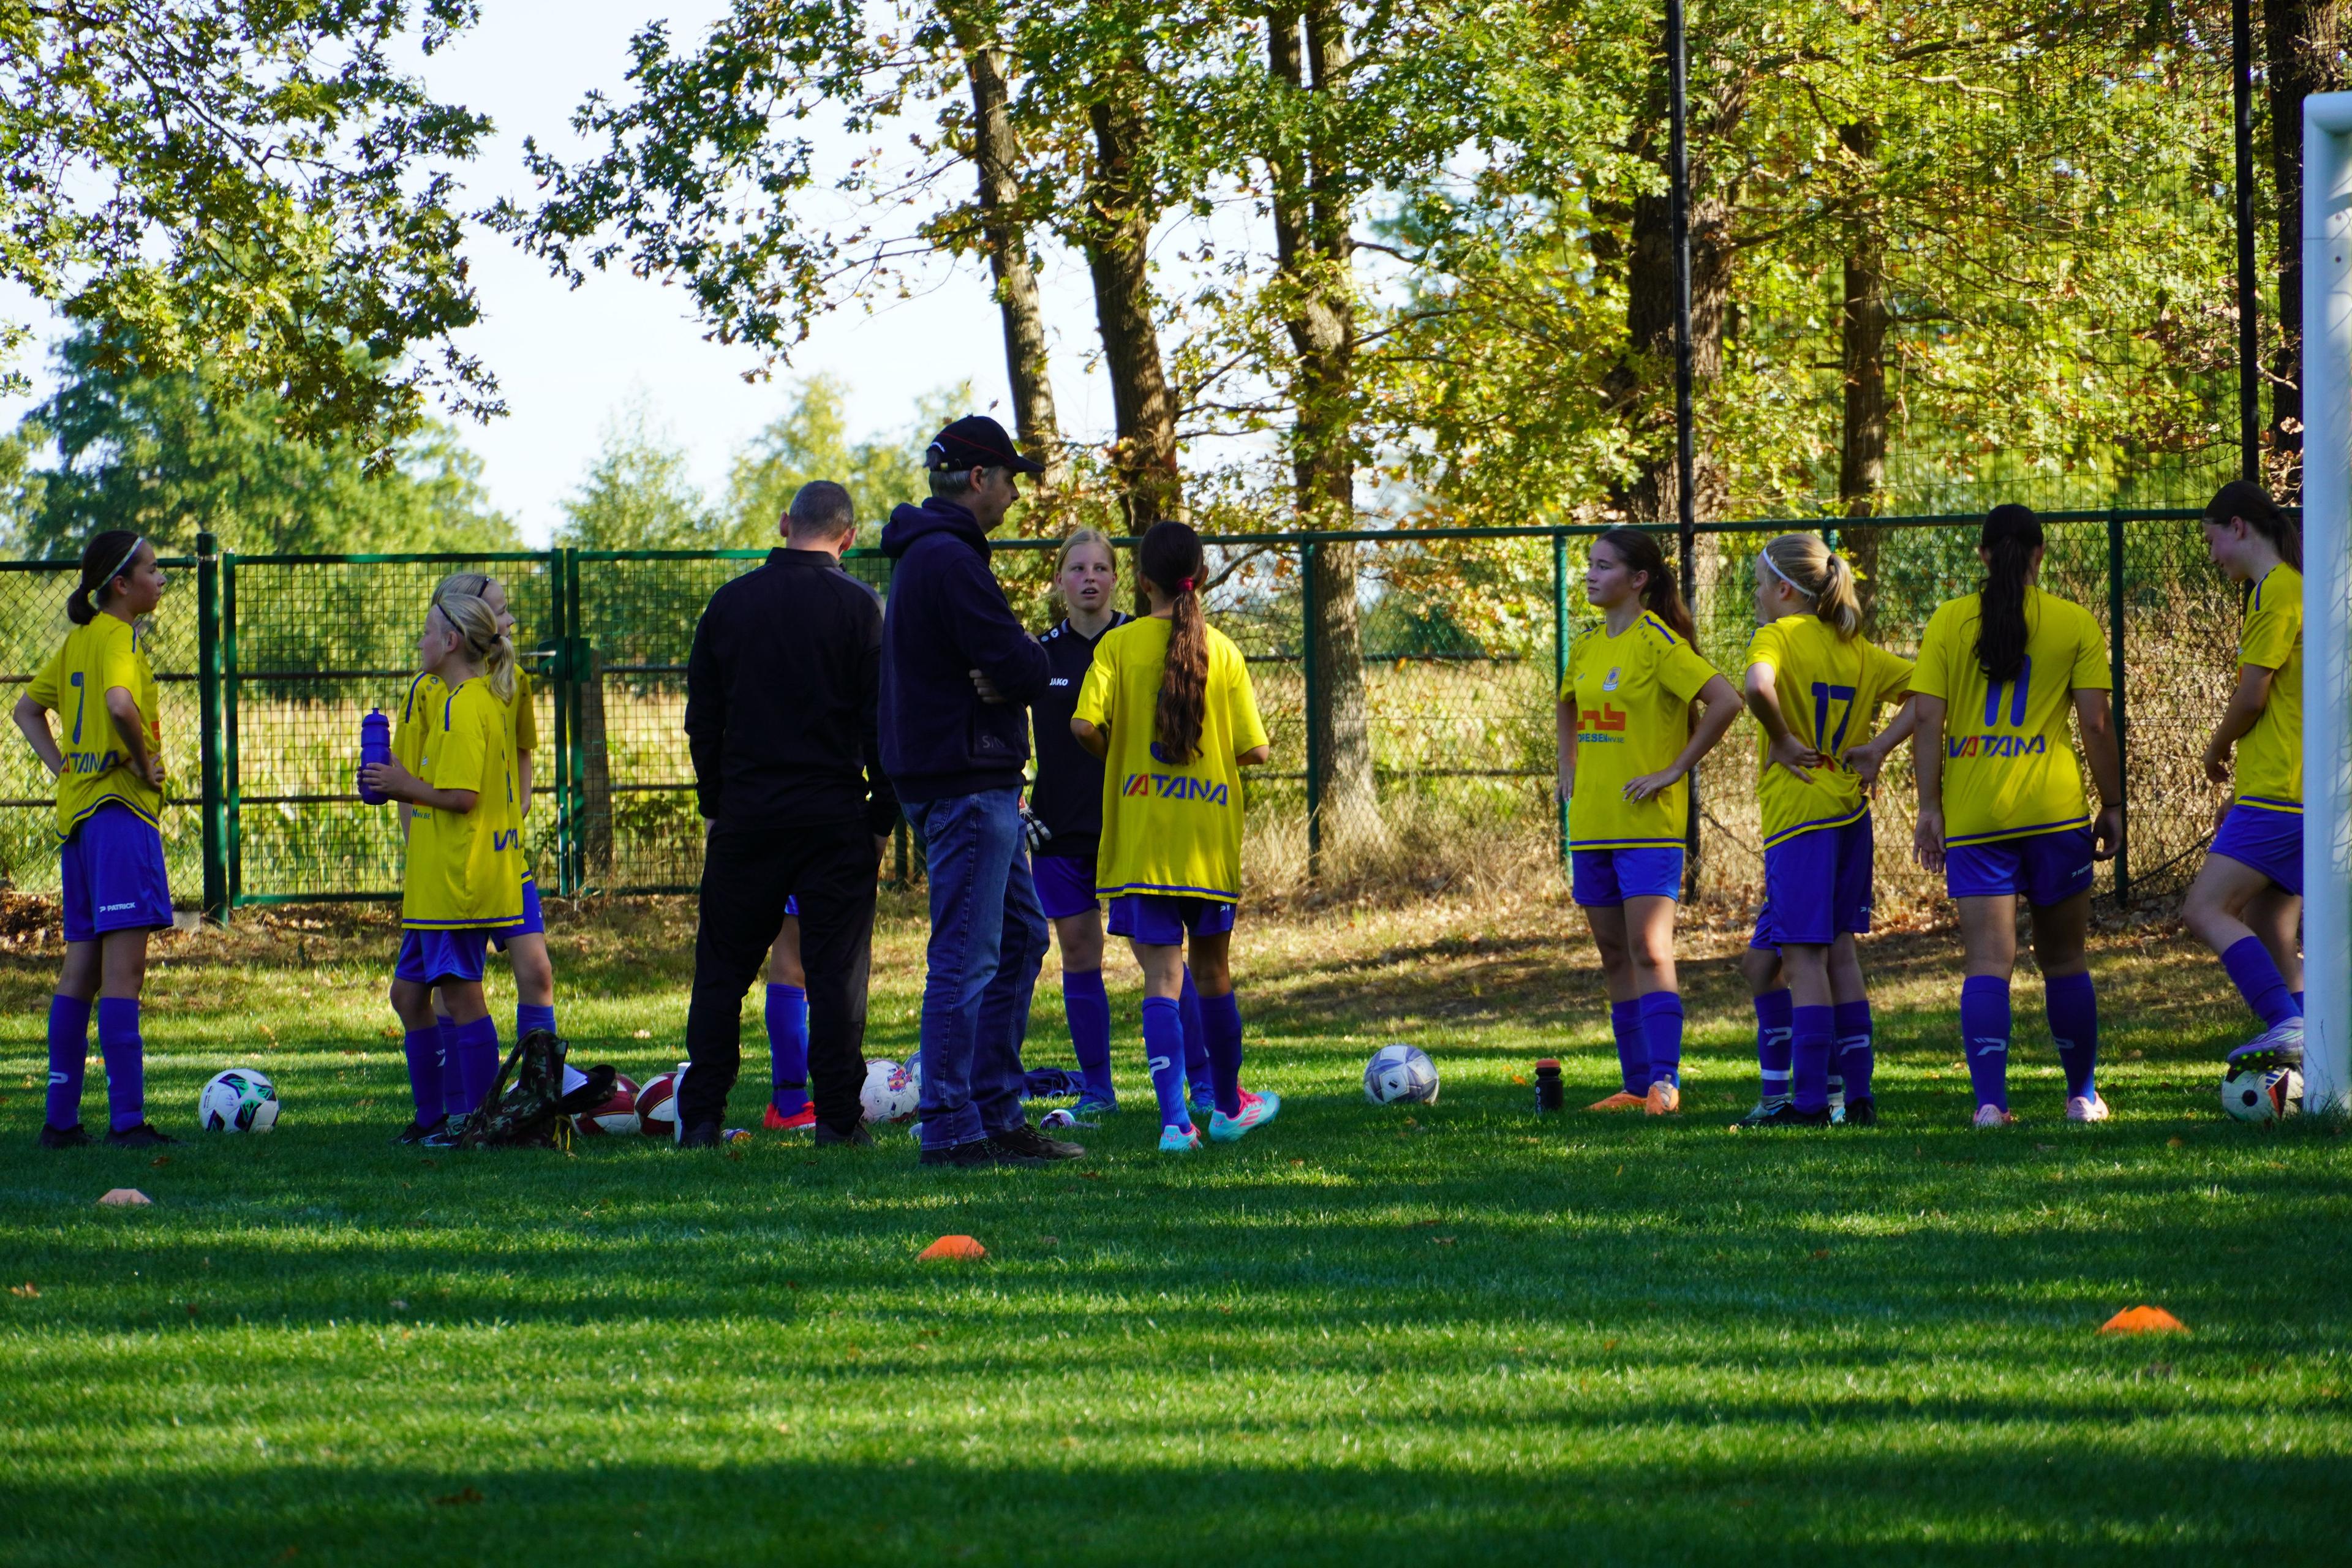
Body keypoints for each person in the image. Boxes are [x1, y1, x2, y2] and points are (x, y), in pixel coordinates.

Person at [880, 416, 1084, 1168]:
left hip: (967, 777)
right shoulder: (951, 560)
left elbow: (1010, 667)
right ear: (977, 479)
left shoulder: (930, 556)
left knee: (1022, 936)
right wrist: (1021, 659)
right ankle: (949, 1124)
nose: (1014, 495)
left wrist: (1011, 664)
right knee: (965, 956)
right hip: (965, 783)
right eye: (1009, 479)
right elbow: (1027, 669)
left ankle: (996, 1111)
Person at [678, 480, 899, 1149]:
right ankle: (837, 1118)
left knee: (722, 972)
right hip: (834, 816)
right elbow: (884, 727)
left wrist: (715, 805)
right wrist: (881, 819)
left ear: (784, 523)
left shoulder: (729, 603)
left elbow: (703, 720)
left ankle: (702, 1114)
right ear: (848, 536)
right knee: (836, 976)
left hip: (748, 814)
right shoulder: (862, 608)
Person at [1910, 503, 2124, 1126]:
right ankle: (2082, 1097)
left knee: (1987, 964)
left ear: (1983, 555)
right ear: (2040, 554)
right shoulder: (2073, 621)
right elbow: (2096, 723)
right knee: (2065, 960)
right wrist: (2113, 803)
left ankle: (1990, 1105)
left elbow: (1927, 720)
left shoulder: (1949, 621)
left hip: (1976, 818)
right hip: (2054, 815)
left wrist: (1929, 806)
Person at [1072, 520, 1278, 1152]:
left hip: (1143, 841)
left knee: (1162, 977)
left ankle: (1174, 1123)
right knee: (1213, 973)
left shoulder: (1118, 646)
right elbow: (1257, 750)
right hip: (1206, 841)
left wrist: (1120, 757)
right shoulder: (1225, 651)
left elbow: (1083, 726)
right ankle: (1229, 1105)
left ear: (1142, 582)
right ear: (1203, 577)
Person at [1555, 527, 1744, 1115]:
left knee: (1649, 949)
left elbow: (1727, 701)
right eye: (1589, 564)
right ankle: (1636, 1086)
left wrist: (1675, 769)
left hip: (1647, 825)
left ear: (1638, 580)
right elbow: (1567, 702)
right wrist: (1567, 764)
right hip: (1592, 823)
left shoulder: (1659, 642)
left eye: (1603, 566)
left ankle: (1665, 1082)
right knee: (1615, 953)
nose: (1590, 575)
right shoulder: (1587, 645)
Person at [1733, 533, 1917, 1129]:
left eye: (1760, 585)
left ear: (1785, 590)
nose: (1756, 597)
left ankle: (1810, 1104)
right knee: (1830, 954)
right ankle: (1856, 1098)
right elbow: (1931, 692)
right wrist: (1880, 747)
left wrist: (1784, 740)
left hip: (1800, 816)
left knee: (1803, 959)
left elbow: (1757, 687)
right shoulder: (1857, 650)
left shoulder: (1778, 636)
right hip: (1849, 814)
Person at [1027, 529, 1212, 1120]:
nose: (1089, 578)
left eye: (1100, 568)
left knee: (1162, 960)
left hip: (1131, 828)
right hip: (1058, 830)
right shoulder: (1037, 655)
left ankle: (1203, 1083)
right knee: (1079, 953)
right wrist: (1016, 802)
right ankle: (1098, 1091)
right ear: (1059, 580)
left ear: (1120, 578)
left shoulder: (1142, 641)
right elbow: (1001, 731)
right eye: (1077, 568)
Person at [15, 531, 178, 1148]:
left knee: (78, 970)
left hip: (79, 823)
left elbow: (26, 710)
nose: (161, 579)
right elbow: (119, 705)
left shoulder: (76, 641)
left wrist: (63, 768)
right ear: (122, 584)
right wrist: (140, 761)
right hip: (119, 815)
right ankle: (128, 1122)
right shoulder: (116, 636)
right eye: (153, 570)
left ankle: (60, 1122)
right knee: (123, 974)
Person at [362, 591, 526, 1143]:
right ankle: (432, 1117)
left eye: (427, 633)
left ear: (451, 642)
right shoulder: (455, 700)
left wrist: (402, 786)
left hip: (458, 883)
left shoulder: (466, 705)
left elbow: (461, 797)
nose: (420, 642)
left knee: (461, 997)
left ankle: (478, 1120)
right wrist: (395, 774)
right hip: (432, 887)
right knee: (408, 997)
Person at [2180, 480, 2306, 1068]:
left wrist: (2216, 748)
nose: (2212, 557)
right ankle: (2312, 1039)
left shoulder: (2275, 591)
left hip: (2279, 794)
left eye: (2212, 541)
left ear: (2237, 527)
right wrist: (2240, 791)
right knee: (2268, 925)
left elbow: (2253, 697)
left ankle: (2287, 1022)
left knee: (2204, 909)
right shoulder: (2294, 588)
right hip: (2290, 791)